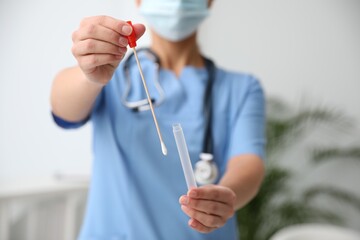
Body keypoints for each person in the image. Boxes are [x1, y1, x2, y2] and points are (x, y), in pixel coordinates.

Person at [50, 0, 266, 239]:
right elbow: (63, 110)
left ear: (209, 2)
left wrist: (226, 195)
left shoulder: (242, 88)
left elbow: (248, 162)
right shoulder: (113, 74)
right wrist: (88, 74)